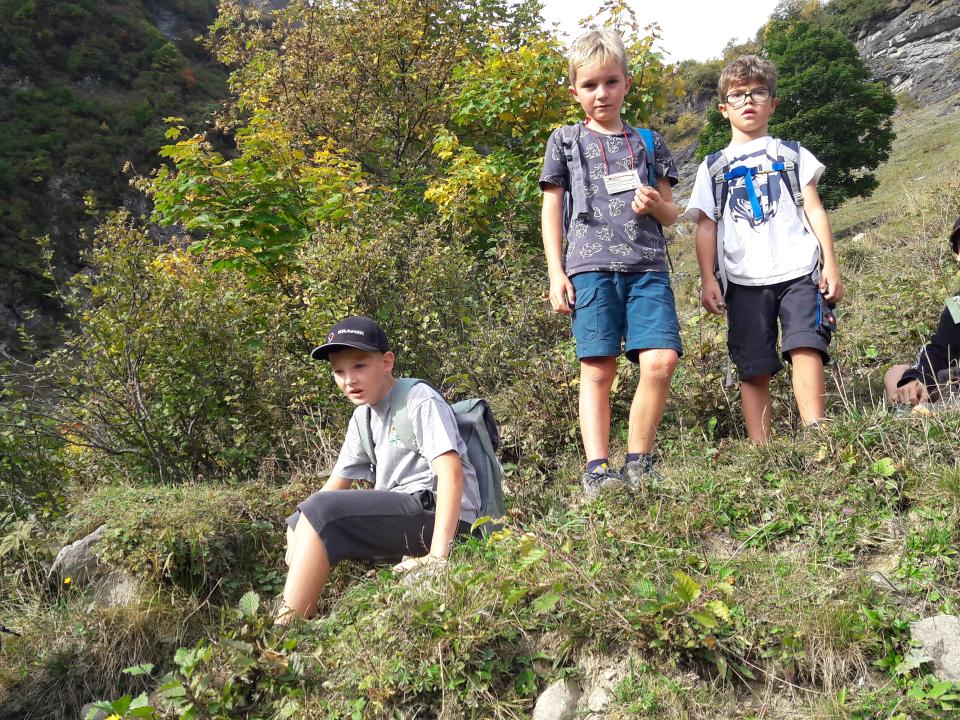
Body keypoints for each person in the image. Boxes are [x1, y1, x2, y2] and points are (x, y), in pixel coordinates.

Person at [540, 30, 681, 497]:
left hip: (648, 267)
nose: (601, 93)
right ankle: (598, 470)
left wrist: (653, 206)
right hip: (589, 268)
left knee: (661, 361)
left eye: (611, 82)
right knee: (598, 369)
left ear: (627, 83)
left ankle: (639, 461)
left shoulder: (649, 141)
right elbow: (551, 208)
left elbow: (672, 211)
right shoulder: (563, 140)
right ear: (574, 90)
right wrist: (556, 272)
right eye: (589, 85)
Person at [684, 55, 844, 443]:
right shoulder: (714, 166)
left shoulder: (791, 154)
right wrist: (708, 279)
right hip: (743, 279)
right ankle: (762, 446)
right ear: (723, 109)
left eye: (759, 92)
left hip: (798, 269)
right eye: (737, 96)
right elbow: (706, 227)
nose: (748, 101)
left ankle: (816, 432)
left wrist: (831, 263)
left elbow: (814, 206)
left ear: (773, 102)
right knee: (752, 363)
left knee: (806, 344)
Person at [278, 316, 481, 622]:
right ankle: (287, 623)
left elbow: (450, 473)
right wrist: (296, 526)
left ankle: (284, 630)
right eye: (339, 371)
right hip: (407, 516)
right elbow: (333, 487)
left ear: (387, 362)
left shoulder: (418, 398)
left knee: (320, 510)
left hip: (446, 520)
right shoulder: (362, 418)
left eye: (359, 366)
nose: (349, 380)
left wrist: (438, 555)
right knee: (306, 515)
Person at [885, 216, 960, 409]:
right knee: (897, 373)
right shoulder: (957, 304)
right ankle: (910, 408)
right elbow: (939, 348)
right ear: (957, 255)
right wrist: (916, 378)